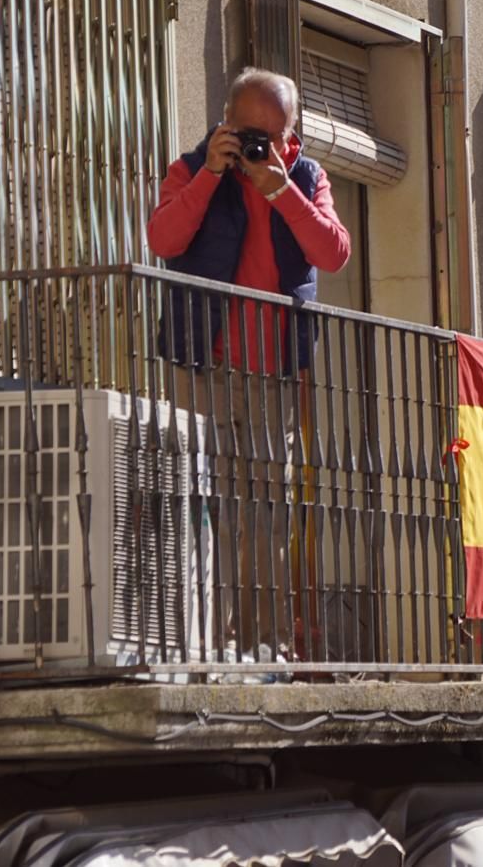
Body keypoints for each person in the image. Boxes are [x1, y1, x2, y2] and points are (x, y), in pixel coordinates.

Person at [147, 67, 350, 657]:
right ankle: (200, 643)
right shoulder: (191, 169)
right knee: (198, 506)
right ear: (225, 126)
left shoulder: (307, 178)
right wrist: (211, 174)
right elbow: (163, 238)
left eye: (273, 136)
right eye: (246, 133)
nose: (261, 147)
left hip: (273, 375)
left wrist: (281, 190)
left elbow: (333, 252)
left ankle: (264, 647)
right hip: (200, 367)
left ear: (293, 137)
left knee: (264, 517)